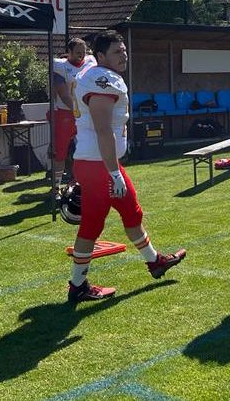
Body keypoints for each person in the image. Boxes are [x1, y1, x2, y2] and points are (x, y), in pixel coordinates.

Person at [67, 30, 185, 303]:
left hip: (98, 162)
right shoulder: (102, 79)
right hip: (99, 164)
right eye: (117, 52)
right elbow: (103, 130)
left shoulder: (94, 75)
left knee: (132, 211)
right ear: (100, 56)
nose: (124, 55)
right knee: (92, 225)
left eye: (124, 50)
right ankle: (77, 284)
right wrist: (112, 172)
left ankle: (155, 261)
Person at [50, 37, 96, 185]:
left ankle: (80, 183)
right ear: (68, 52)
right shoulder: (60, 66)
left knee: (86, 149)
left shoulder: (91, 62)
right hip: (65, 113)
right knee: (60, 153)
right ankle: (56, 187)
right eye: (77, 52)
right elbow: (64, 95)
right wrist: (79, 109)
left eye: (83, 52)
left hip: (84, 113)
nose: (81, 55)